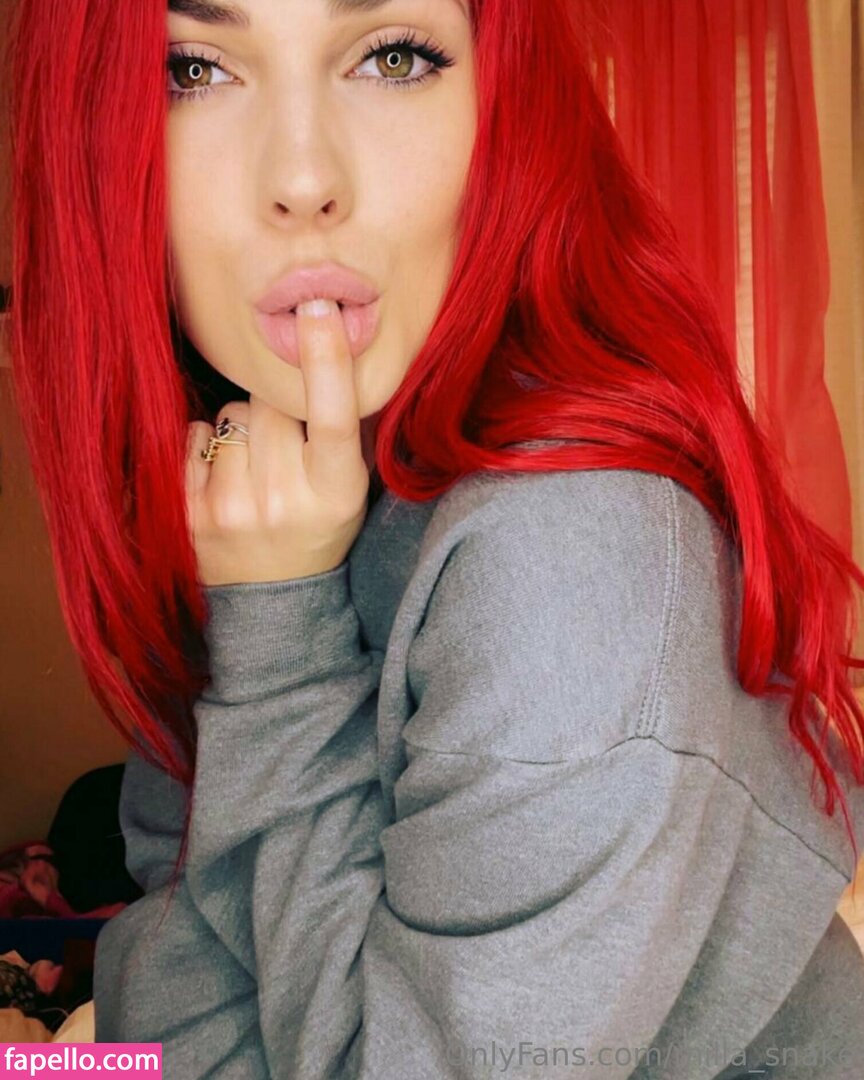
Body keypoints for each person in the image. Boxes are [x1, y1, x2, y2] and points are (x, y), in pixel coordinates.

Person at [6, 0, 864, 1076]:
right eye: (192, 71)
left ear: (507, 108)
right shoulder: (267, 482)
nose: (304, 177)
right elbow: (164, 941)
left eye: (392, 55)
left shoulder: (573, 560)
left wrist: (276, 643)